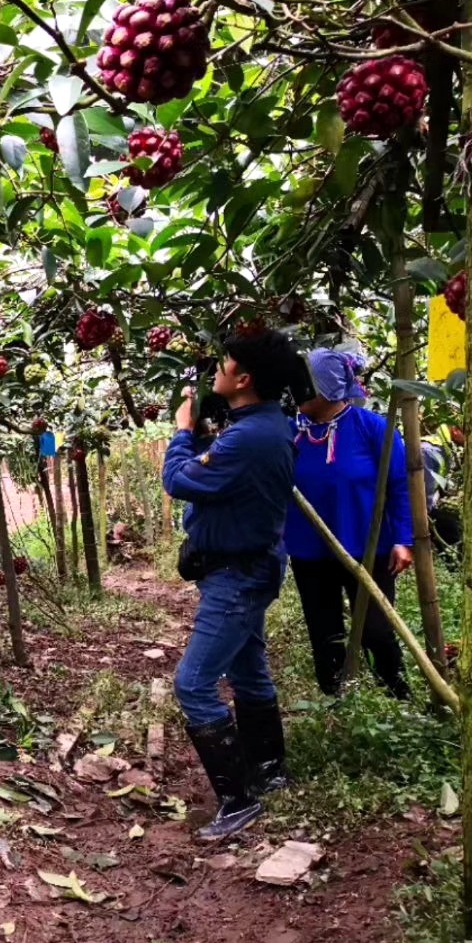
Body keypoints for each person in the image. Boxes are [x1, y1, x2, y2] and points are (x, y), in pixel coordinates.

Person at [163, 330, 302, 840]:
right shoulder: (260, 425)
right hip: (249, 565)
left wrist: (182, 434)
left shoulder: (250, 436)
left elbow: (179, 480)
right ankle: (269, 771)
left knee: (193, 684)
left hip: (238, 576)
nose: (216, 369)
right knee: (249, 671)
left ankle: (239, 799)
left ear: (243, 379)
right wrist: (203, 441)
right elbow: (219, 474)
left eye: (224, 363)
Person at [284, 350, 413, 700]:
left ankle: (397, 696)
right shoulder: (290, 431)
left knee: (376, 630)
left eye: (303, 385)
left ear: (326, 390)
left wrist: (403, 538)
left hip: (368, 547)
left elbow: (399, 487)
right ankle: (335, 699)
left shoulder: (373, 429)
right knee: (323, 630)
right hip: (309, 549)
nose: (294, 392)